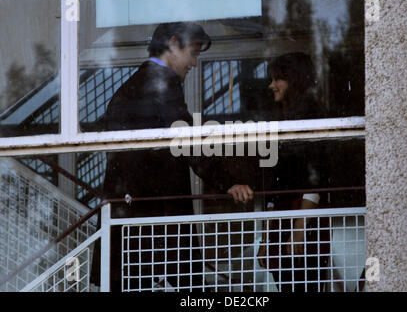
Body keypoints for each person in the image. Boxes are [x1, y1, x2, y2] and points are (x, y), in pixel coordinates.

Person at [91, 22, 253, 292]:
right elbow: (186, 139)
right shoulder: (162, 81)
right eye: (193, 53)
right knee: (187, 287)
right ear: (174, 44)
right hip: (156, 221)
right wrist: (228, 181)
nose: (195, 64)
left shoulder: (130, 86)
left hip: (131, 220)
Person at [257, 52, 329, 292]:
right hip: (284, 218)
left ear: (295, 80)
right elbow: (276, 183)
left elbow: (317, 171)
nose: (271, 85)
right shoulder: (282, 118)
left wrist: (300, 224)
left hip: (302, 217)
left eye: (278, 79)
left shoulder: (311, 114)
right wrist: (267, 237)